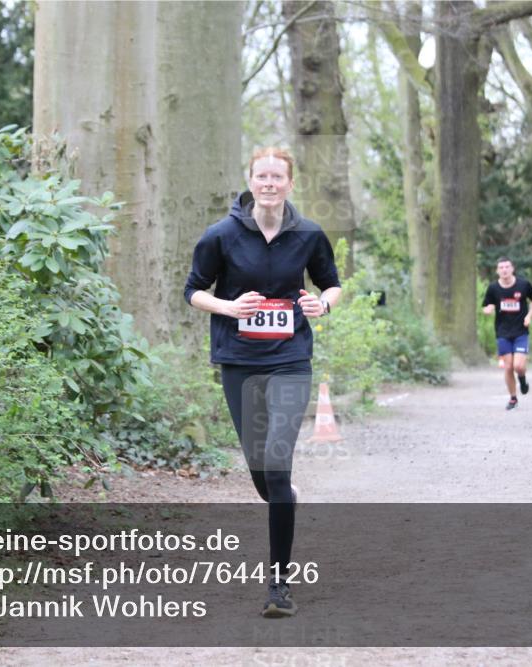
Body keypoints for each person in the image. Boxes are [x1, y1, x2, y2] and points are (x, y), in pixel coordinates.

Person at [184, 146, 342, 618]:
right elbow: (192, 290)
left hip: (291, 358)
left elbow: (330, 282)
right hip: (239, 360)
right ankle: (283, 500)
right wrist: (229, 308)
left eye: (278, 176)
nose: (269, 183)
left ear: (291, 183)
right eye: (261, 176)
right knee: (264, 476)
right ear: (250, 181)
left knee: (277, 464)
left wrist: (323, 305)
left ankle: (278, 584)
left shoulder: (309, 234)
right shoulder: (221, 235)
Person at [482, 257, 532, 410]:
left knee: (518, 366)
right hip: (503, 332)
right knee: (508, 367)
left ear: (512, 269)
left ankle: (522, 379)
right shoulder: (493, 288)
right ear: (497, 271)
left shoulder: (523, 284)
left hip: (521, 331)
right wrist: (488, 309)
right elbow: (487, 304)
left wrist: (529, 316)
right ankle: (513, 398)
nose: (504, 270)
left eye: (507, 267)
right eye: (501, 267)